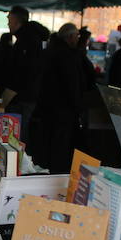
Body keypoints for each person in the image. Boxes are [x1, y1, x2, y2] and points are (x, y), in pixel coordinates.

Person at [36, 23, 95, 173]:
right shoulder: (67, 55)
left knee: (53, 143)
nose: (78, 39)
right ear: (70, 37)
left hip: (49, 107)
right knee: (62, 146)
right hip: (64, 109)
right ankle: (59, 173)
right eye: (77, 36)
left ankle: (52, 170)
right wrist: (79, 107)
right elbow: (73, 84)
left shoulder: (52, 51)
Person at [0, 6, 49, 140]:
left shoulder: (27, 41)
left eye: (9, 19)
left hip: (21, 96)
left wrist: (12, 89)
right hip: (25, 94)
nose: (8, 23)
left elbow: (24, 70)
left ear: (16, 20)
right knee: (18, 131)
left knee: (16, 134)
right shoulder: (28, 39)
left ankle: (17, 159)